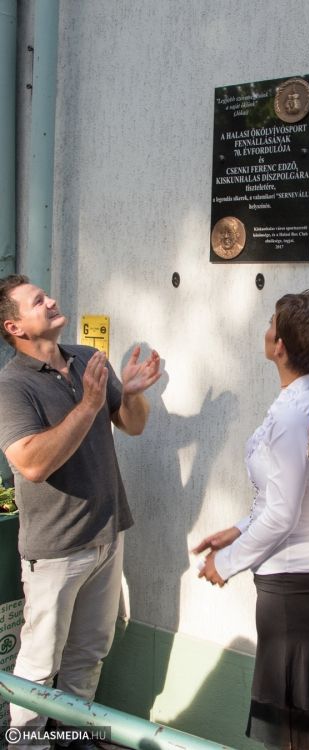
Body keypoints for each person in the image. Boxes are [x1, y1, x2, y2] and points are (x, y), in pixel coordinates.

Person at [0, 274, 161, 750]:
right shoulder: (11, 387)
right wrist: (90, 405)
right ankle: (25, 744)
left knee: (89, 654)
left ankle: (72, 738)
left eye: (46, 295)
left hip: (107, 535)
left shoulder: (87, 359)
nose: (51, 300)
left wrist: (130, 393)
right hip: (55, 549)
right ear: (15, 327)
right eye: (37, 301)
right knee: (38, 664)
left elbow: (132, 425)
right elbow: (32, 464)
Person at [194, 290, 309, 750]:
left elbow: (282, 513)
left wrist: (227, 562)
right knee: (299, 726)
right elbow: (287, 496)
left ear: (280, 347)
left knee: (294, 732)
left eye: (271, 325)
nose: (266, 331)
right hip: (305, 583)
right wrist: (240, 528)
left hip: (293, 588)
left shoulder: (296, 412)